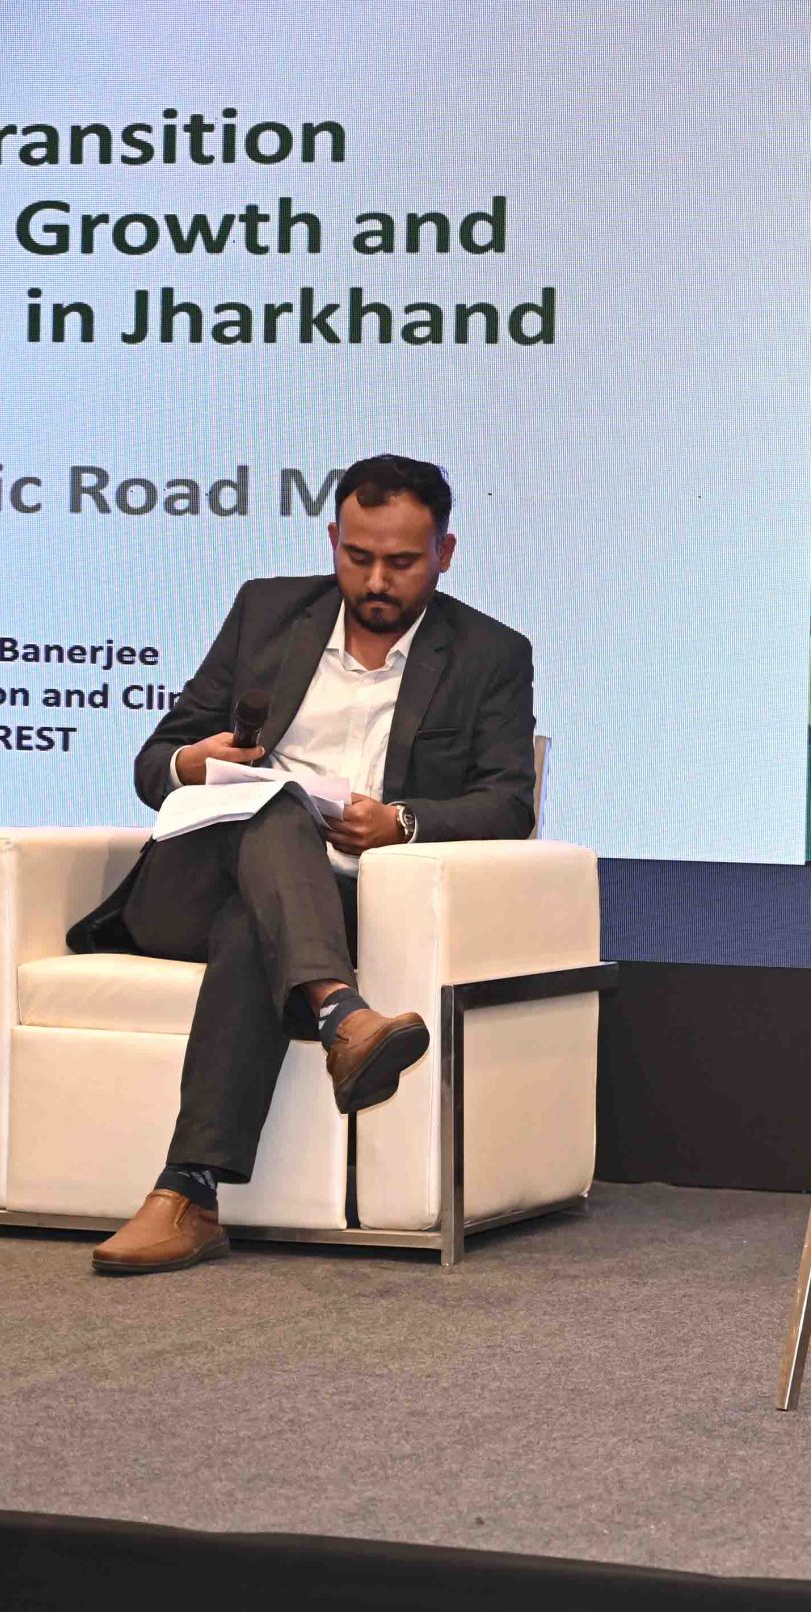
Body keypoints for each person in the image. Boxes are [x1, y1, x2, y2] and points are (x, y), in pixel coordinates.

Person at [81, 455, 538, 1275]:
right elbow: (153, 763)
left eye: (402, 561)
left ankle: (187, 1194)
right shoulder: (266, 613)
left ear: (445, 552)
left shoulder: (489, 653)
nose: (376, 579)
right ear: (331, 539)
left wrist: (399, 821)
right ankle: (343, 1014)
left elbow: (509, 802)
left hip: (334, 906)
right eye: (357, 555)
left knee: (250, 930)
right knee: (278, 802)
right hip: (188, 888)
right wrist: (194, 761)